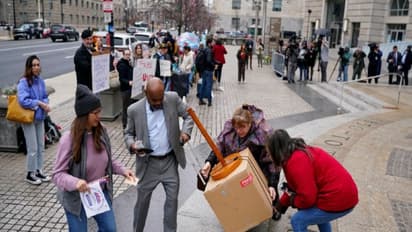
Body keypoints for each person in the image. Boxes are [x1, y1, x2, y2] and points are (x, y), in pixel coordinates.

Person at [52, 84, 136, 231]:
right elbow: (57, 175)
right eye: (95, 113)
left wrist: (123, 170)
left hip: (97, 192)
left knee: (110, 229)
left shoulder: (101, 130)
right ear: (84, 115)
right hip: (76, 197)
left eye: (99, 111)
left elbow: (108, 160)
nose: (99, 116)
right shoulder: (68, 139)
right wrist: (76, 182)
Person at [124, 77, 194, 232]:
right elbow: (128, 134)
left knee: (172, 201)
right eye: (154, 100)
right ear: (145, 93)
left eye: (160, 99)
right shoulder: (134, 110)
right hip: (148, 164)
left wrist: (185, 132)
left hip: (170, 161)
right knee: (142, 202)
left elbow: (189, 116)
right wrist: (132, 145)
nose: (158, 103)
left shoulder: (173, 98)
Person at [266, 129, 358, 232]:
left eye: (269, 152)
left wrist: (293, 200)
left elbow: (308, 198)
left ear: (276, 151)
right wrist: (279, 207)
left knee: (297, 220)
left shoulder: (295, 162)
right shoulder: (294, 153)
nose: (269, 156)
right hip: (344, 193)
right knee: (313, 212)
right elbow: (294, 187)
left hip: (340, 197)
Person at [200, 105, 280, 207]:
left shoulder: (263, 133)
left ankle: (275, 206)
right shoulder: (229, 128)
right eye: (236, 128)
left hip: (259, 166)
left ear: (250, 124)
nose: (239, 131)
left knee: (268, 191)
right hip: (236, 164)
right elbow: (220, 146)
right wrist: (209, 162)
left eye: (242, 127)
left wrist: (272, 184)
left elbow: (272, 161)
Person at [18, 55, 51, 185]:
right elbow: (23, 100)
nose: (36, 67)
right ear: (29, 67)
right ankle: (30, 173)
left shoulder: (40, 81)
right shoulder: (24, 82)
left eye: (38, 65)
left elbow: (44, 96)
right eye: (33, 65)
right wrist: (39, 103)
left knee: (41, 146)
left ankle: (38, 170)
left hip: (39, 117)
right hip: (28, 119)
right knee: (32, 147)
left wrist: (45, 103)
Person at [117, 49, 134, 129]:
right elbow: (121, 79)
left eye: (129, 54)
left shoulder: (128, 63)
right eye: (126, 54)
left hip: (130, 88)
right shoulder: (121, 64)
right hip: (125, 89)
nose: (128, 56)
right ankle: (125, 124)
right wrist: (128, 82)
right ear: (123, 55)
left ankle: (128, 123)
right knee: (125, 107)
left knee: (129, 106)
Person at [198, 38, 215, 106]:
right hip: (208, 70)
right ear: (209, 43)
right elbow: (208, 60)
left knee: (203, 85)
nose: (213, 43)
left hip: (204, 70)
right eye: (212, 42)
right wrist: (213, 65)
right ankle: (209, 101)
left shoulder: (204, 50)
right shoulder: (209, 50)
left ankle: (200, 100)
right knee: (208, 86)